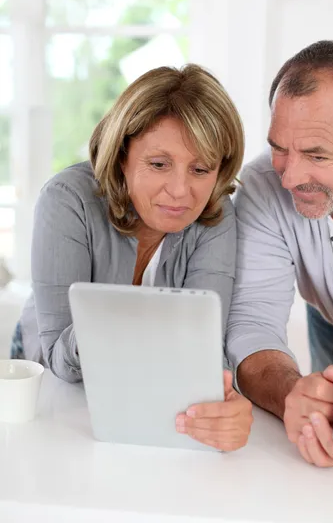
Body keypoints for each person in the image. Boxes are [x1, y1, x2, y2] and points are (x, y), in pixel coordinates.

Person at [11, 64, 253, 451]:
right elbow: (60, 358)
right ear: (122, 156)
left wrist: (223, 405)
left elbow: (205, 351)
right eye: (159, 164)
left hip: (143, 379)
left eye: (201, 169)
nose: (180, 191)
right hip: (49, 366)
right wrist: (153, 333)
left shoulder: (216, 213)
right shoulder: (66, 200)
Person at [226, 40, 333, 466]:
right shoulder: (263, 186)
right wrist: (292, 396)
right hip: (332, 322)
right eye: (280, 148)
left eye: (316, 155)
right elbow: (251, 320)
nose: (289, 178)